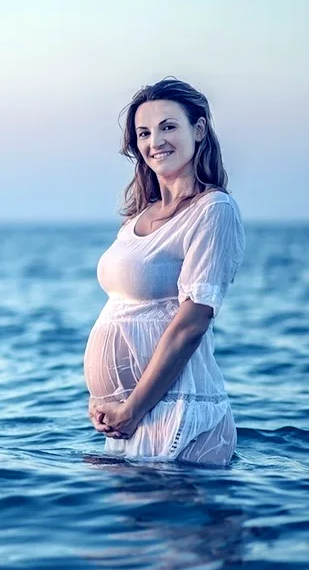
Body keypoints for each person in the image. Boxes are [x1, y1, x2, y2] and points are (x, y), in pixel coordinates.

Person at [85, 77, 245, 466]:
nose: (155, 141)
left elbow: (192, 323)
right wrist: (106, 401)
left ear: (199, 129)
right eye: (144, 132)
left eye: (168, 126)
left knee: (176, 528)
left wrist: (132, 408)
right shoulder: (138, 217)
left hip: (180, 415)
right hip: (132, 417)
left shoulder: (213, 209)